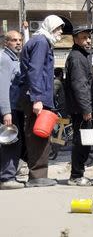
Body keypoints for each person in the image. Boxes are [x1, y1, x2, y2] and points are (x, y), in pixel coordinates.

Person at [18, 15, 64, 187]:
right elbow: (35, 71)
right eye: (58, 28)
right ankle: (38, 176)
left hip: (36, 96)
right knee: (39, 135)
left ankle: (37, 175)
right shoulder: (41, 42)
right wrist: (37, 98)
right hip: (37, 97)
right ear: (50, 27)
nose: (60, 32)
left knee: (37, 134)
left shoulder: (40, 41)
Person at [64, 26, 93, 186]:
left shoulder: (81, 56)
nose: (88, 40)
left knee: (84, 141)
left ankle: (78, 174)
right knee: (81, 142)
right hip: (81, 109)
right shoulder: (77, 58)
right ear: (75, 39)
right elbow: (80, 85)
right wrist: (86, 109)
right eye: (84, 37)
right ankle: (76, 175)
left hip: (82, 108)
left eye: (89, 37)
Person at [0, 30, 24, 189]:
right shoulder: (5, 59)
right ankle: (7, 178)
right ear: (6, 42)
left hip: (14, 107)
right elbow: (3, 87)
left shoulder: (12, 59)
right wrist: (6, 111)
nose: (18, 43)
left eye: (20, 40)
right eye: (14, 40)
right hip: (9, 109)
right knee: (10, 142)